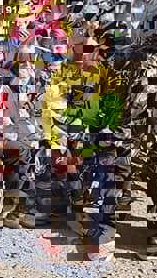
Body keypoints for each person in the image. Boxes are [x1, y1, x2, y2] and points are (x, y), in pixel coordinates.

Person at [42, 19, 127, 259]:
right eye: (81, 49)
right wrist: (58, 145)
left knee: (108, 170)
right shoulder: (63, 75)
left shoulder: (109, 76)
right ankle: (71, 208)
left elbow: (114, 115)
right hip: (72, 136)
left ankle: (103, 228)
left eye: (91, 49)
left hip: (100, 139)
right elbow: (52, 110)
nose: (86, 55)